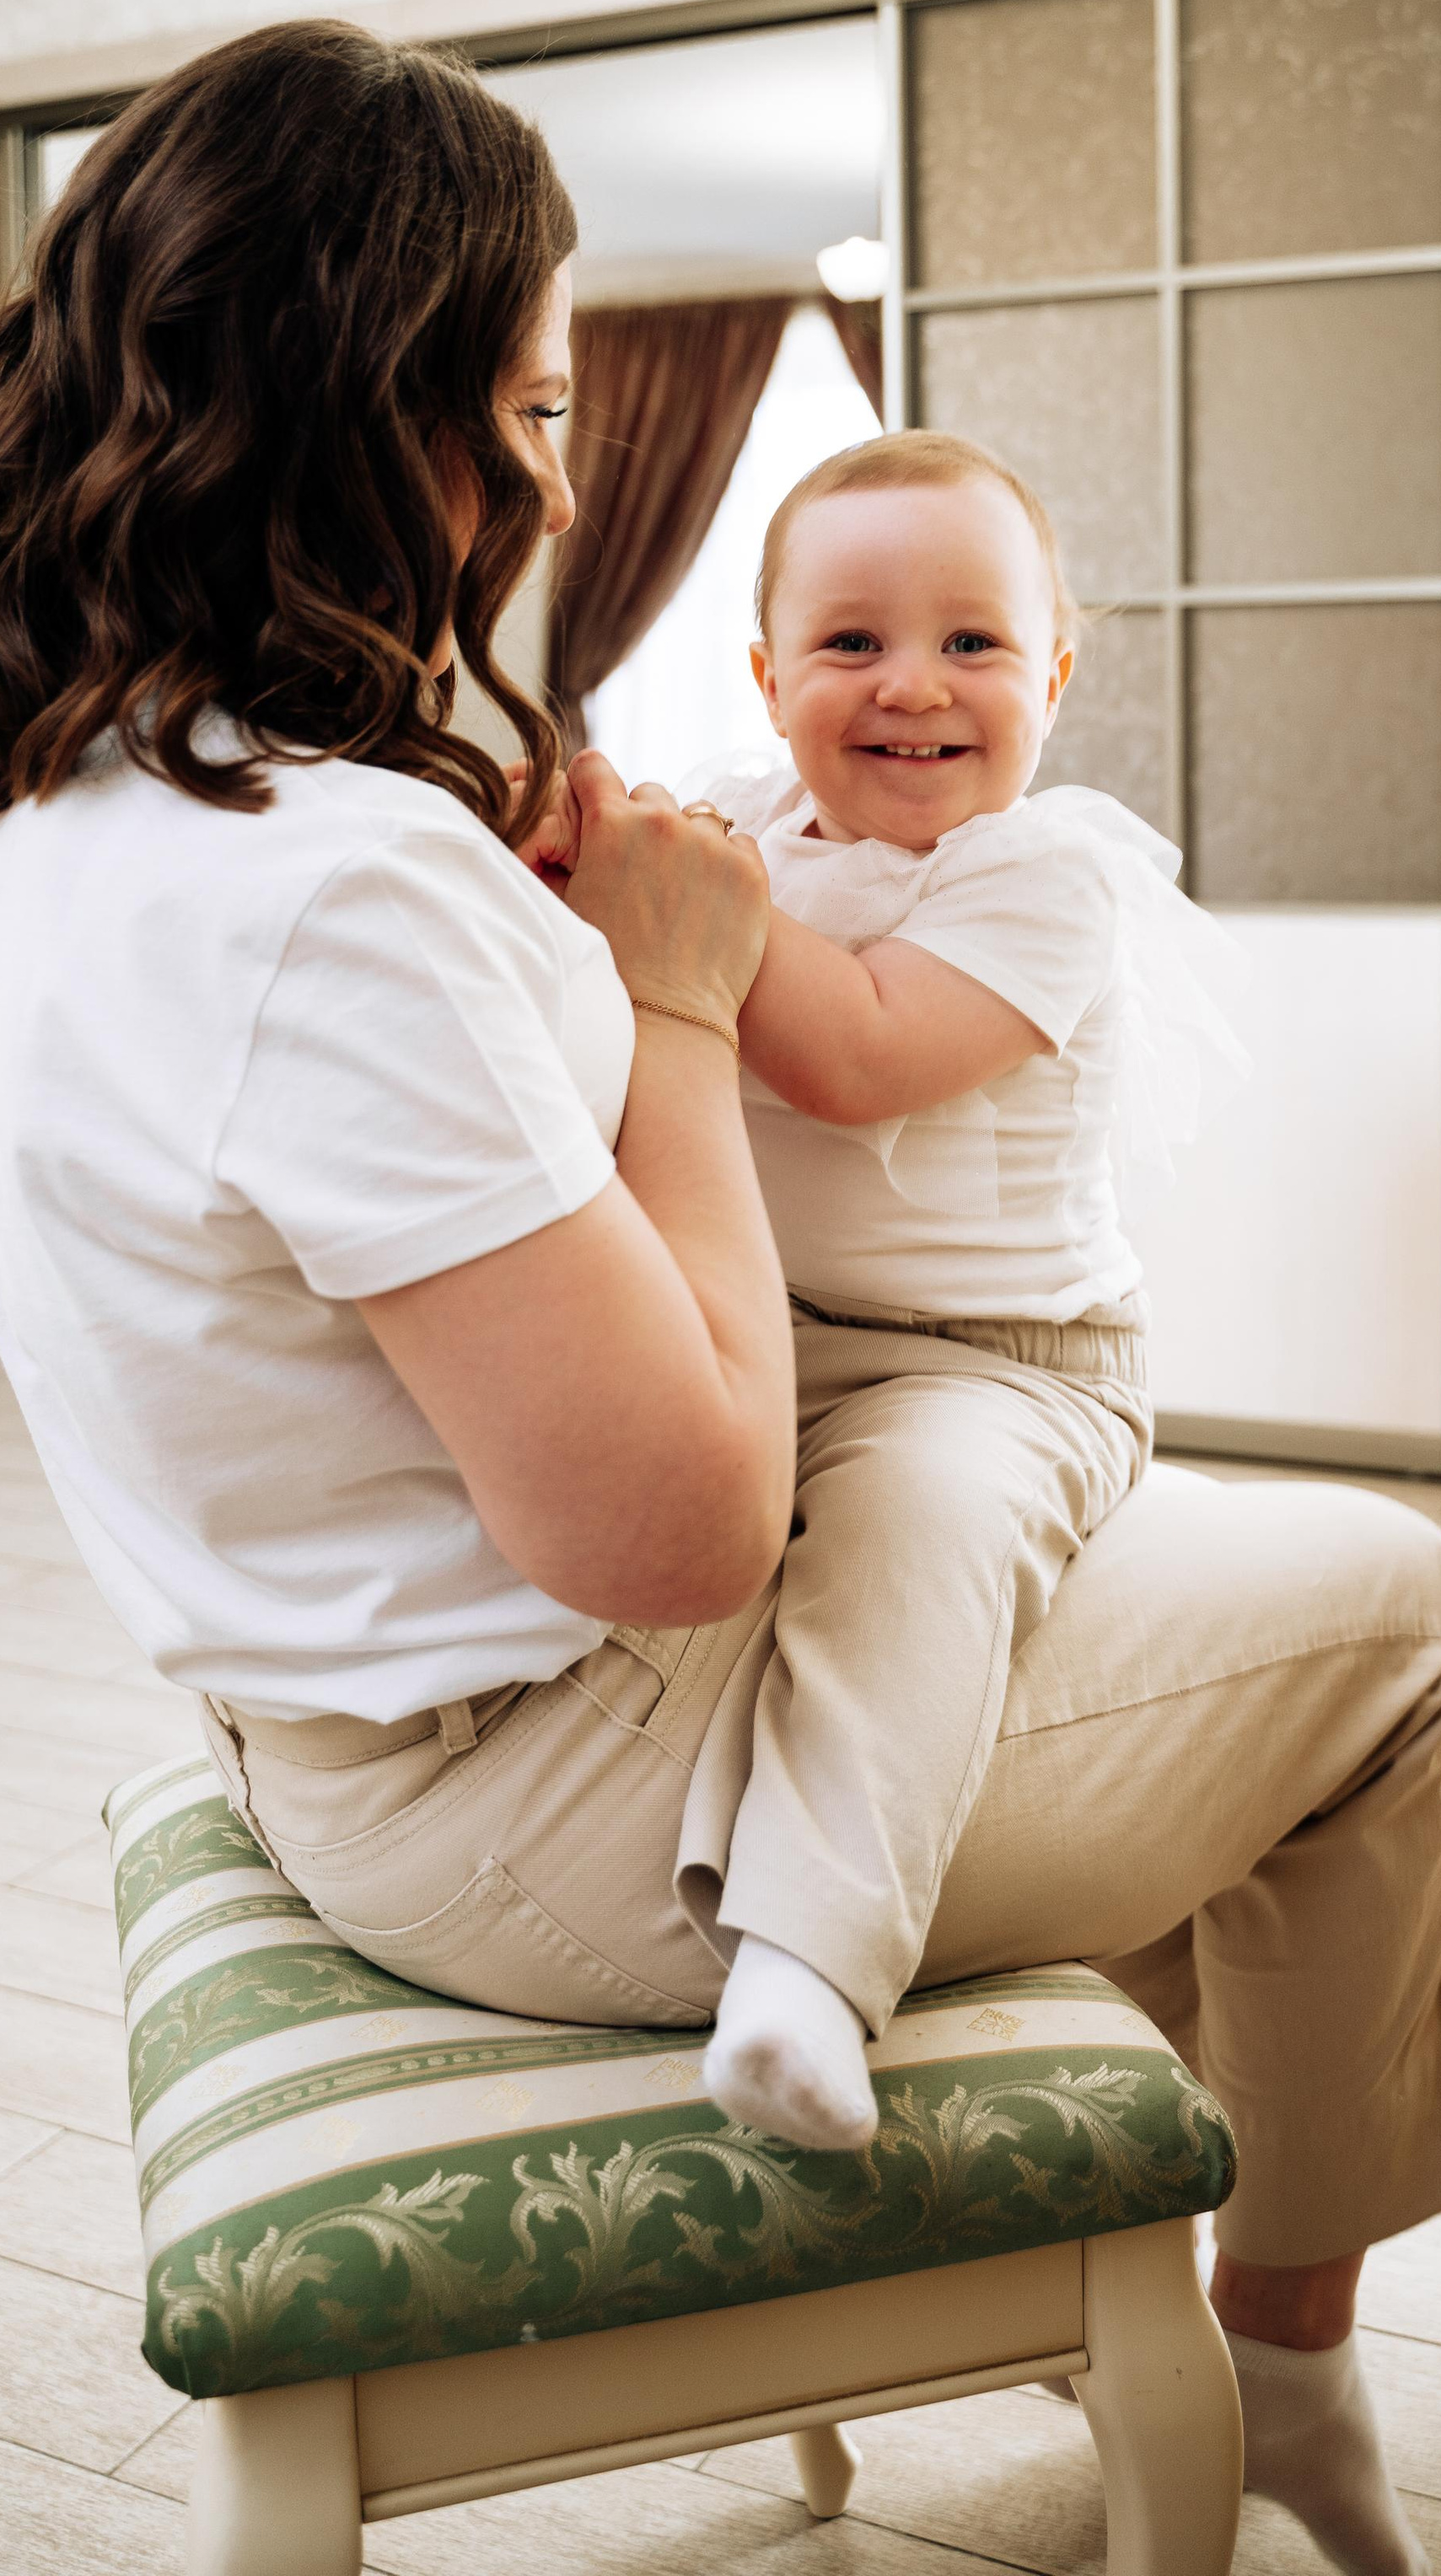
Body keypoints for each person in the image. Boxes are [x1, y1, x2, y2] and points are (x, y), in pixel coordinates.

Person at [0, 19, 1441, 2576]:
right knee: (1419, 1626)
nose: (561, 473)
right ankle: (1282, 2344)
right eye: (539, 404)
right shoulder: (329, 879)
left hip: (320, 1702)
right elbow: (676, 1529)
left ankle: (1129, 2231)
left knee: (1117, 1587)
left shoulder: (14, 794)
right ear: (381, 407)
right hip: (569, 1790)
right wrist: (674, 997)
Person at [524, 430, 1245, 2165]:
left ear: (1053, 675)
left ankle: (805, 1971)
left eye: (973, 643)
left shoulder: (1044, 873)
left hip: (993, 1370)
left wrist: (683, 904)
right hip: (769, 1332)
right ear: (764, 678)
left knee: (907, 1533)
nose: (910, 686)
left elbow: (855, 1055)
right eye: (848, 644)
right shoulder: (737, 824)